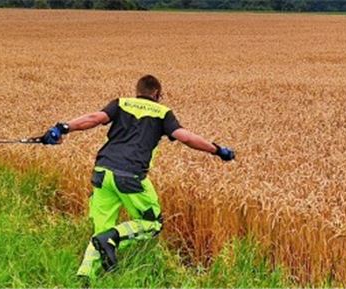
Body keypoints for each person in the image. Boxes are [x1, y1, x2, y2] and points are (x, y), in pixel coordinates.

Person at [35, 75, 235, 279]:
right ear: (157, 94)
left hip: (102, 172)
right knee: (152, 224)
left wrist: (62, 128)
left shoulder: (121, 103)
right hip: (130, 177)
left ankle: (85, 276)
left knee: (102, 228)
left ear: (137, 91)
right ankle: (113, 238)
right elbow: (185, 137)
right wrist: (217, 150)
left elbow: (94, 119)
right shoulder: (163, 112)